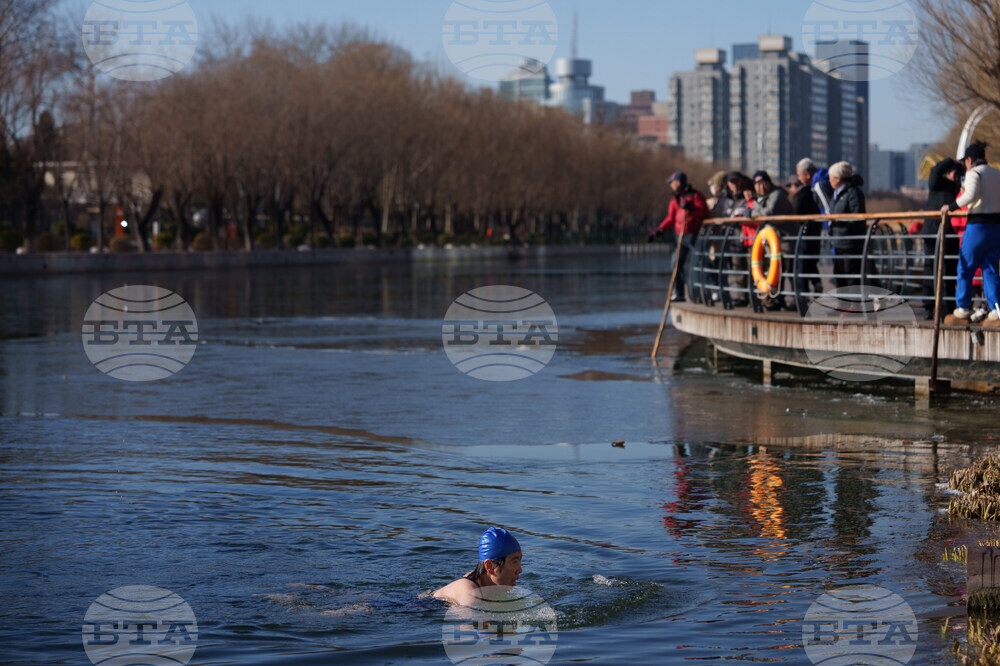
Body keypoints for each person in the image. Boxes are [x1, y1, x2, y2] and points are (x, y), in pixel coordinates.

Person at [942, 141, 1000, 324]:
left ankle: (963, 309)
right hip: (996, 227)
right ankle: (996, 310)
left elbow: (970, 196)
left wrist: (950, 207)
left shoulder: (974, 173)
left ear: (969, 160)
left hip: (978, 226)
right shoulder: (996, 173)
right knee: (990, 269)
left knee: (965, 267)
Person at [648, 172, 709, 302]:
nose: (671, 185)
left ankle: (707, 292)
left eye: (672, 182)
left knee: (699, 262)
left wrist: (691, 208)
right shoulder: (675, 199)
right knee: (676, 264)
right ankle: (679, 293)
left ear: (678, 182)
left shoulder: (695, 195)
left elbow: (704, 211)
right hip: (680, 236)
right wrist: (659, 231)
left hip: (693, 235)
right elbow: (670, 218)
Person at [433, 527, 523, 606]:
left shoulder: (487, 583)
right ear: (490, 566)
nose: (520, 569)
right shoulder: (470, 595)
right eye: (514, 562)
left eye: (519, 561)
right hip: (431, 607)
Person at [922, 157, 964, 319]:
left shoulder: (957, 187)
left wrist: (960, 167)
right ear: (948, 172)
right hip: (933, 231)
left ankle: (949, 305)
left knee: (950, 268)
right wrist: (951, 161)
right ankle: (930, 306)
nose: (955, 176)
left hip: (950, 232)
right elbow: (935, 171)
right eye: (954, 173)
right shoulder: (937, 183)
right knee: (931, 268)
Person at [828, 161, 867, 288]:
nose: (829, 180)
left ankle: (853, 299)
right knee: (839, 274)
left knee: (851, 274)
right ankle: (842, 298)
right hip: (838, 241)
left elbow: (857, 215)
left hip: (850, 242)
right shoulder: (837, 193)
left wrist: (843, 226)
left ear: (838, 178)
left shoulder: (852, 193)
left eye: (831, 177)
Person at [790, 167, 826, 299]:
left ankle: (802, 298)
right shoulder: (814, 193)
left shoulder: (801, 196)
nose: (790, 189)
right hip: (814, 234)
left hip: (803, 236)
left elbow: (794, 214)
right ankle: (817, 286)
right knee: (811, 263)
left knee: (803, 266)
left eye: (791, 186)